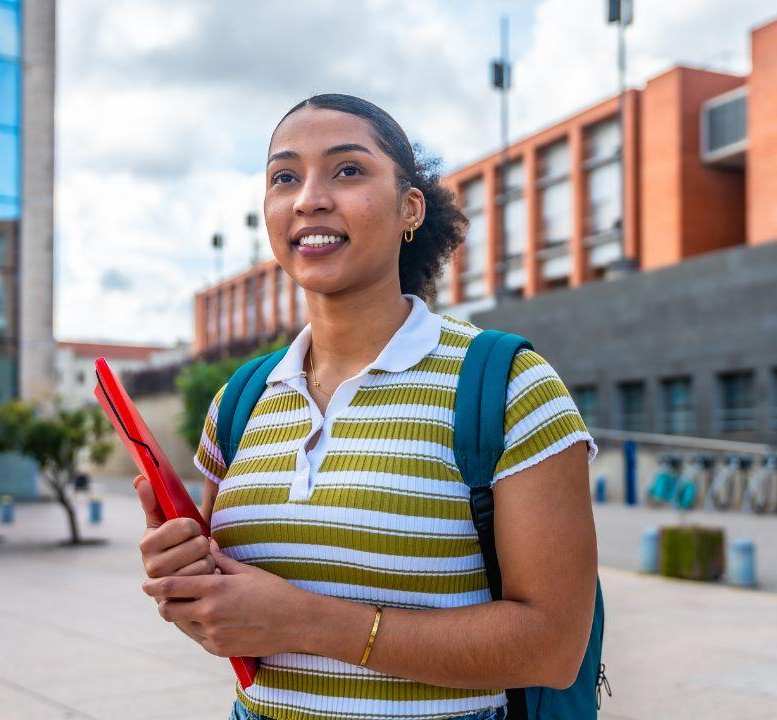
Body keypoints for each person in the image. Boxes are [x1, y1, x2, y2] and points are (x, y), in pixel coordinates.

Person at [135, 93, 599, 720]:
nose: (309, 198)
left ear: (412, 208)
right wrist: (186, 587)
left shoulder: (509, 385)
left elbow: (553, 647)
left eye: (348, 170)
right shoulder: (239, 402)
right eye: (284, 177)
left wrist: (311, 623)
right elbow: (231, 622)